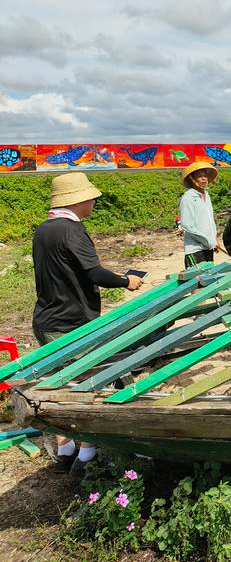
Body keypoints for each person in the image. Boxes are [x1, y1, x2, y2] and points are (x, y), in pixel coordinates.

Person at [32, 172, 144, 478]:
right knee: (89, 388)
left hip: (46, 320)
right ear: (78, 200)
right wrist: (126, 280)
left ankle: (65, 451)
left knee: (62, 387)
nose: (94, 202)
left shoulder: (44, 229)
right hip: (71, 324)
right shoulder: (72, 230)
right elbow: (94, 273)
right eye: (91, 198)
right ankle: (87, 457)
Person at [178, 161, 221, 269]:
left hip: (208, 248)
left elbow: (210, 220)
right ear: (192, 179)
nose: (203, 179)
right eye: (199, 176)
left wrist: (214, 240)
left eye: (205, 176)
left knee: (210, 277)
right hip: (195, 250)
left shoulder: (207, 196)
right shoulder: (188, 198)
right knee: (196, 278)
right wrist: (208, 241)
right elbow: (187, 225)